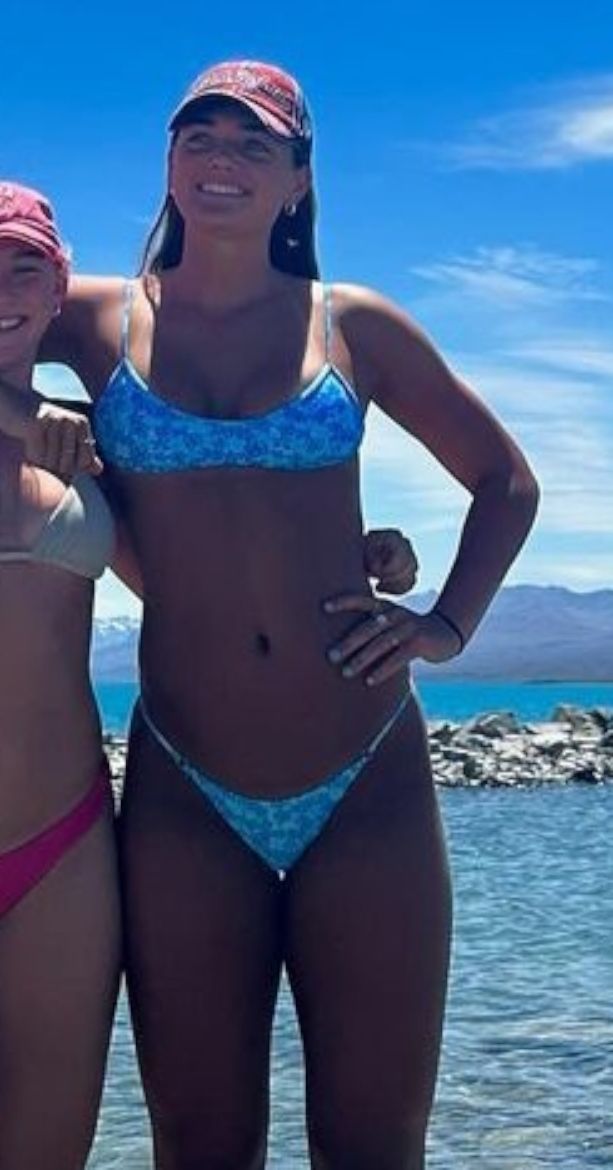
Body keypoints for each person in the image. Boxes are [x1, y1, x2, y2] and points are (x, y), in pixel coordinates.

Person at [0, 58, 538, 1170]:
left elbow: (504, 482)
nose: (222, 159)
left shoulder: (356, 325)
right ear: (167, 163)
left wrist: (444, 626)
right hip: (185, 786)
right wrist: (28, 420)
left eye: (255, 144)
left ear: (299, 179)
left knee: (373, 1146)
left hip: (366, 776)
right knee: (200, 1146)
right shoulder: (90, 317)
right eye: (199, 136)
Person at [0, 182, 120, 1170]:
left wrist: (361, 554)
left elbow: (199, 571)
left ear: (56, 290)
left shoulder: (88, 439)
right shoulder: (55, 427)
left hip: (64, 843)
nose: (1, 291)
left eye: (21, 267)